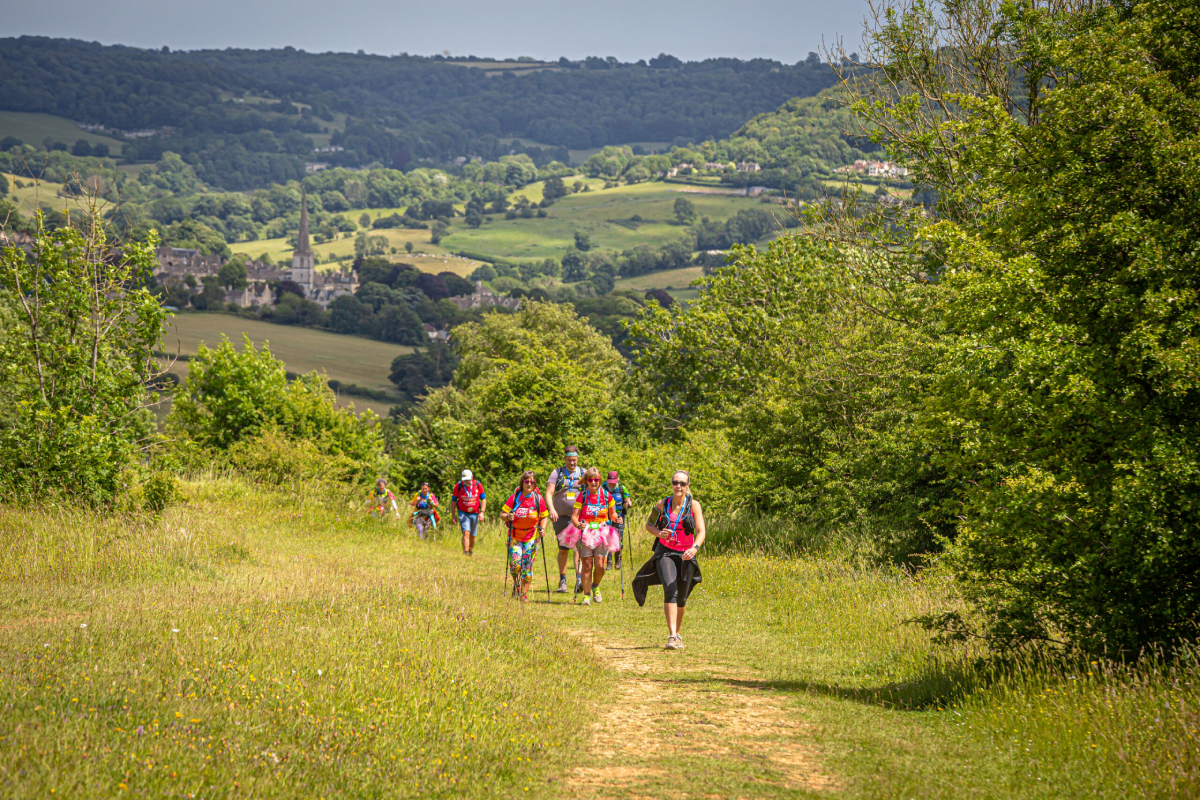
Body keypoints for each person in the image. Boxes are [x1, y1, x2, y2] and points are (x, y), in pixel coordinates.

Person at [632, 470, 706, 649]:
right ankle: (672, 635)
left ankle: (678, 634)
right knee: (670, 589)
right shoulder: (662, 503)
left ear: (687, 485)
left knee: (681, 597)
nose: (678, 486)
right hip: (665, 552)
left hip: (686, 554)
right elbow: (649, 525)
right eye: (675, 483)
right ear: (671, 484)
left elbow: (701, 532)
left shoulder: (694, 505)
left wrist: (694, 548)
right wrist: (659, 533)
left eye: (682, 483)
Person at [559, 467, 622, 605]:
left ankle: (595, 586)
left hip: (602, 531)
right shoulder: (582, 496)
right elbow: (574, 517)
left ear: (600, 480)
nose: (593, 482)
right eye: (591, 480)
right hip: (585, 531)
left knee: (600, 566)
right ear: (587, 481)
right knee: (587, 565)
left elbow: (612, 514)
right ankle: (586, 595)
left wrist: (617, 518)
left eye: (596, 480)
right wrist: (578, 525)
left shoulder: (606, 496)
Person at [500, 470, 549, 603]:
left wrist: (543, 528)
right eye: (526, 481)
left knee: (527, 566)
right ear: (522, 483)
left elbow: (544, 517)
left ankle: (523, 593)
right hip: (515, 536)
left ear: (535, 484)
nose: (529, 484)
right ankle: (516, 585)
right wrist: (507, 517)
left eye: (532, 482)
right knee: (515, 566)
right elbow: (502, 514)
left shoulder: (538, 499)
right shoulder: (515, 497)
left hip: (532, 537)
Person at [545, 446, 585, 593]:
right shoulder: (557, 473)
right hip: (560, 516)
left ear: (577, 459)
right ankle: (563, 580)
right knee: (563, 549)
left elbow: (591, 492)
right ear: (565, 459)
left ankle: (579, 580)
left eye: (574, 460)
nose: (572, 463)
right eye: (569, 460)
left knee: (578, 547)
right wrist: (552, 509)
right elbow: (549, 493)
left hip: (578, 517)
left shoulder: (583, 473)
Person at [451, 469, 486, 556]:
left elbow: (483, 499)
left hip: (475, 512)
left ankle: (470, 550)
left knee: (472, 536)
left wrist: (482, 512)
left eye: (468, 480)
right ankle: (466, 553)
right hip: (463, 512)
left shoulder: (478, 485)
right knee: (466, 533)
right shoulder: (458, 486)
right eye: (465, 480)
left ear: (472, 477)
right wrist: (453, 516)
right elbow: (453, 501)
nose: (467, 481)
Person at [604, 470, 633, 571]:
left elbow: (628, 499)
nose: (612, 484)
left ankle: (618, 560)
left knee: (618, 539)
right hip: (605, 518)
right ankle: (608, 562)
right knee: (607, 539)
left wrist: (628, 504)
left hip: (619, 517)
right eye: (610, 482)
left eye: (614, 482)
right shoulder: (602, 487)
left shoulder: (621, 488)